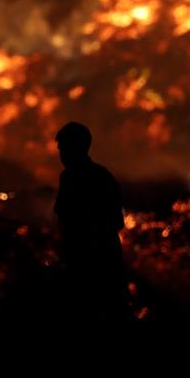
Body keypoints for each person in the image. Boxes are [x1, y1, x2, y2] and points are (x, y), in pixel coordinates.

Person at [51, 122, 127, 320]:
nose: (62, 155)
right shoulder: (99, 176)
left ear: (76, 148)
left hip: (92, 265)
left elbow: (67, 217)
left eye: (64, 149)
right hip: (98, 262)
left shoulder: (75, 178)